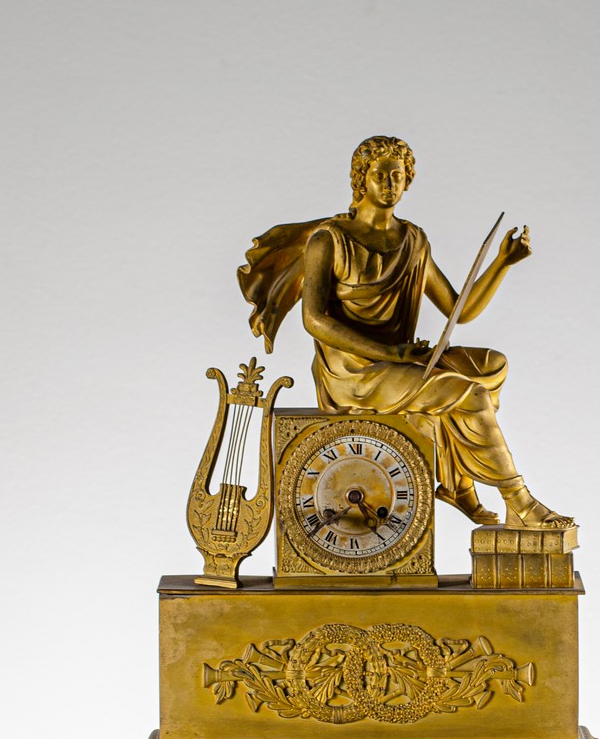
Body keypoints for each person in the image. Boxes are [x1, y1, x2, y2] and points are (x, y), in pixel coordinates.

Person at [238, 135, 571, 528]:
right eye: (380, 175)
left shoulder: (413, 240)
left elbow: (459, 311)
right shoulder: (330, 240)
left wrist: (502, 263)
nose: (390, 183)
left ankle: (456, 483)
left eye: (397, 175)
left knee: (491, 365)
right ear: (361, 179)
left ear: (408, 181)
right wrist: (391, 353)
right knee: (471, 394)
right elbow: (314, 320)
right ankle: (520, 501)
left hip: (401, 359)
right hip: (353, 373)